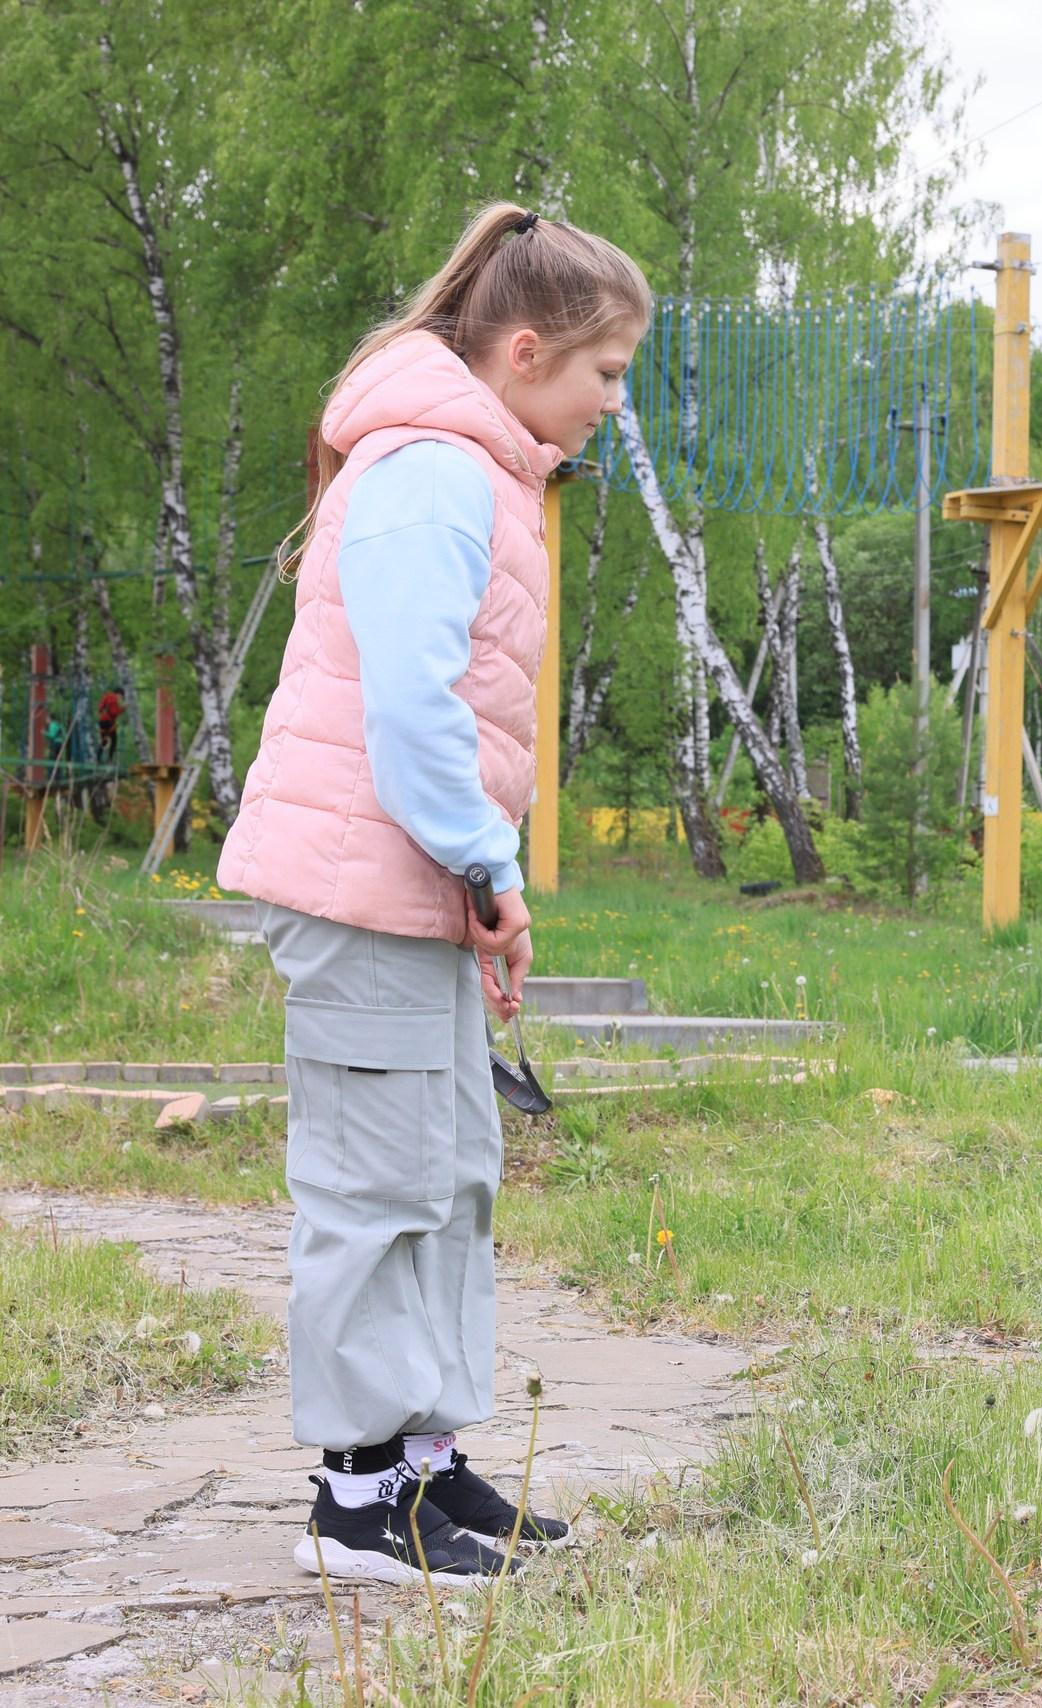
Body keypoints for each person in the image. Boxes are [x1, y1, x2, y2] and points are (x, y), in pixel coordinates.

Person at [216, 202, 651, 1585]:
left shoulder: (487, 475)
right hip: (364, 885)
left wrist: (473, 877)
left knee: (449, 1174)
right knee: (373, 1185)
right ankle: (356, 1504)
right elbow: (409, 711)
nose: (613, 402)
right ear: (526, 352)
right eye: (606, 372)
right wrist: (486, 861)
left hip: (411, 884)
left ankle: (423, 1462)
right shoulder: (430, 473)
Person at [94, 687, 123, 763]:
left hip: (102, 721)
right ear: (118, 694)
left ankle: (98, 758)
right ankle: (109, 759)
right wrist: (123, 709)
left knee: (104, 740)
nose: (120, 698)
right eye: (121, 696)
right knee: (114, 740)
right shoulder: (113, 698)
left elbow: (100, 708)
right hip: (108, 722)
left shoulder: (106, 696)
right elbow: (114, 712)